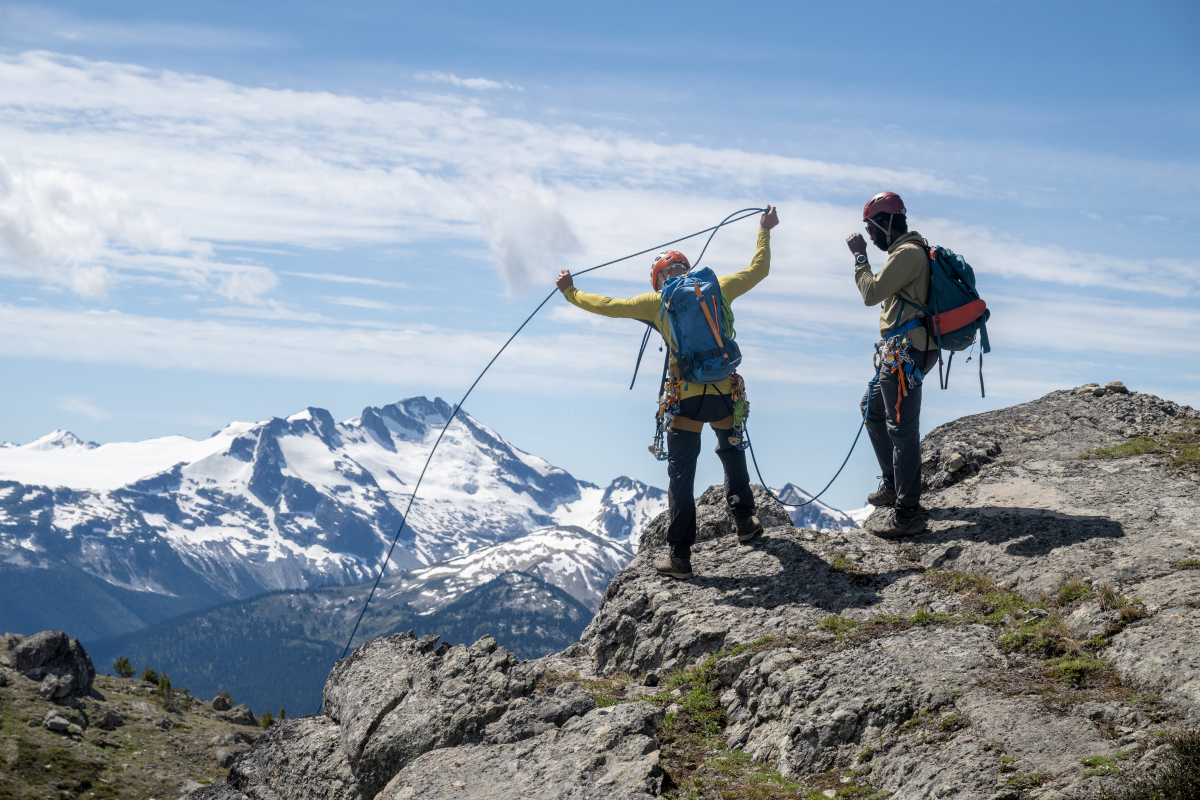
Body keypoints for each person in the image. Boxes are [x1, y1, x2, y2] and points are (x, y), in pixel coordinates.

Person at [555, 206, 780, 580]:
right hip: (725, 391)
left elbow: (607, 306)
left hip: (686, 399)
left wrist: (570, 292)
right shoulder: (717, 288)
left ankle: (680, 558)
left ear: (658, 280)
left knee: (681, 475)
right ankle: (744, 521)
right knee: (731, 449)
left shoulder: (657, 302)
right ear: (687, 271)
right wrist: (764, 230)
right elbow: (759, 268)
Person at [846, 192, 938, 538]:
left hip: (905, 354)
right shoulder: (915, 251)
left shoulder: (907, 254)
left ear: (884, 223)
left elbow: (871, 293)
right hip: (906, 350)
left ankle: (908, 512)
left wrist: (859, 257)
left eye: (871, 231)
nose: (870, 237)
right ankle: (893, 482)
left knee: (900, 428)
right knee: (871, 408)